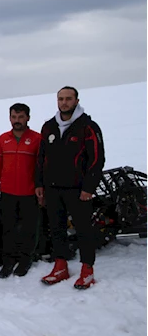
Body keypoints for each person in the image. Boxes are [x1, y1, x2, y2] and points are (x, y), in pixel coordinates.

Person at [36, 87, 105, 289]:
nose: (64, 102)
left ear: (76, 100)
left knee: (83, 229)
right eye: (60, 99)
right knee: (56, 228)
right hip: (53, 188)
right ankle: (60, 265)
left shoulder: (87, 126)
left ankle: (87, 269)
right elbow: (41, 158)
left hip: (78, 189)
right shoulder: (49, 127)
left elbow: (97, 159)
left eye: (68, 99)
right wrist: (40, 184)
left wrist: (89, 187)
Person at [0, 103, 42, 278]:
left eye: (20, 117)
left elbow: (42, 167)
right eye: (14, 117)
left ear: (28, 117)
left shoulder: (37, 139)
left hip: (29, 192)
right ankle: (8, 261)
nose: (17, 121)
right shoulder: (3, 139)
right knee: (8, 228)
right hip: (8, 192)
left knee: (29, 228)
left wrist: (41, 188)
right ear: (10, 118)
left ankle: (26, 259)